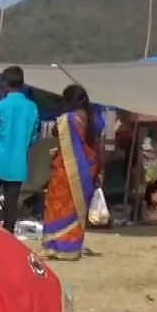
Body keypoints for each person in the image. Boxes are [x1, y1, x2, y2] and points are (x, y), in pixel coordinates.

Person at [40, 85, 104, 259]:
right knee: (76, 209)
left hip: (68, 168)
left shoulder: (68, 119)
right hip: (89, 168)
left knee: (57, 205)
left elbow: (55, 133)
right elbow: (97, 143)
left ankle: (55, 247)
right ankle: (72, 248)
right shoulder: (94, 118)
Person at [0, 66, 39, 234]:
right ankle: (8, 236)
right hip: (18, 164)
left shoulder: (1, 106)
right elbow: (34, 135)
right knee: (11, 205)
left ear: (4, 83)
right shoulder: (32, 108)